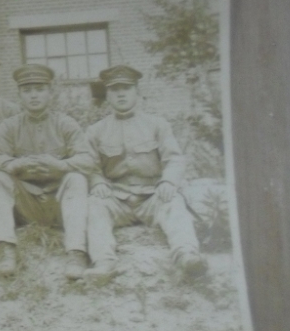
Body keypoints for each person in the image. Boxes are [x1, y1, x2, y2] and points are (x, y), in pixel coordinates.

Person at [85, 65, 207, 281]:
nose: (121, 94)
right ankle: (104, 262)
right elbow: (89, 164)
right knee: (95, 204)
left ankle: (187, 256)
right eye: (115, 90)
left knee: (174, 201)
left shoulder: (157, 125)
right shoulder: (96, 131)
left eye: (126, 88)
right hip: (116, 200)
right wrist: (97, 181)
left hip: (152, 197)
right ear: (107, 94)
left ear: (137, 91)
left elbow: (174, 158)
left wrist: (168, 181)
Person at [0, 64, 93, 278]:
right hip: (26, 204)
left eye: (39, 89)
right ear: (19, 95)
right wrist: (12, 164)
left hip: (59, 203)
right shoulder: (9, 126)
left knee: (76, 178)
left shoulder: (65, 123)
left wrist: (62, 165)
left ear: (50, 92)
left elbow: (88, 159)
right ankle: (6, 249)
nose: (33, 96)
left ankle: (76, 252)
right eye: (27, 91)